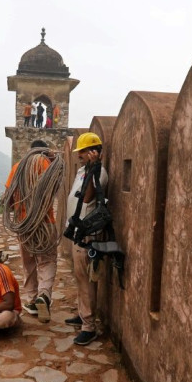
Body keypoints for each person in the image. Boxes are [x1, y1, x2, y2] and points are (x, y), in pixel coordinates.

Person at [4, 140, 58, 323]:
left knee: (28, 263)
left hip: (24, 224)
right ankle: (44, 296)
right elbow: (56, 188)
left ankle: (32, 299)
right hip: (46, 223)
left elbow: (8, 199)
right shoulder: (49, 165)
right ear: (44, 151)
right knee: (47, 261)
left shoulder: (18, 167)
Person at [65, 132, 108, 346]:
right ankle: (83, 315)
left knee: (87, 281)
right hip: (76, 232)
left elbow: (89, 196)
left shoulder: (98, 173)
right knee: (80, 278)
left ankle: (89, 326)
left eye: (82, 152)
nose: (78, 156)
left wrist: (94, 168)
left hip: (88, 236)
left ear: (93, 152)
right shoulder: (82, 171)